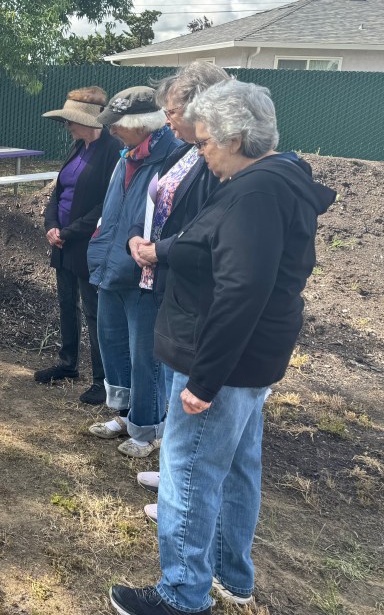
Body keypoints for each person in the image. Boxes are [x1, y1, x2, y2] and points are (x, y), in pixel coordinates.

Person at [109, 80, 335, 615]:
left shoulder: (255, 193)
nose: (201, 152)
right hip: (249, 358)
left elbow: (241, 289)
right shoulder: (275, 179)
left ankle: (181, 594)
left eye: (206, 141)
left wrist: (204, 380)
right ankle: (231, 575)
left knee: (188, 475)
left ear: (235, 138)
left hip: (223, 362)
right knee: (235, 466)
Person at [125, 62, 230, 505]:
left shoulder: (216, 160)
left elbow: (204, 229)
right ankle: (172, 465)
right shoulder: (183, 152)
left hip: (188, 280)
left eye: (171, 111)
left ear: (200, 107)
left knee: (185, 383)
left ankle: (180, 488)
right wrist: (139, 239)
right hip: (164, 273)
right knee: (172, 376)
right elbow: (158, 205)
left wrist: (161, 251)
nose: (166, 120)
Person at [86, 87, 180, 457]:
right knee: (113, 344)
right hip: (111, 264)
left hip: (144, 272)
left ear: (140, 125)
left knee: (145, 356)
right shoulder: (126, 156)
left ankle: (148, 429)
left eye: (117, 124)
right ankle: (126, 416)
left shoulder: (171, 158)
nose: (110, 131)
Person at [35, 87, 122, 405]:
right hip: (63, 241)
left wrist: (70, 231)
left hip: (88, 243)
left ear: (88, 121)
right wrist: (51, 224)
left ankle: (102, 380)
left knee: (94, 312)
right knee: (66, 303)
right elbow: (59, 191)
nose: (67, 126)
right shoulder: (77, 146)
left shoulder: (112, 151)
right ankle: (68, 364)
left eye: (70, 120)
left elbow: (107, 204)